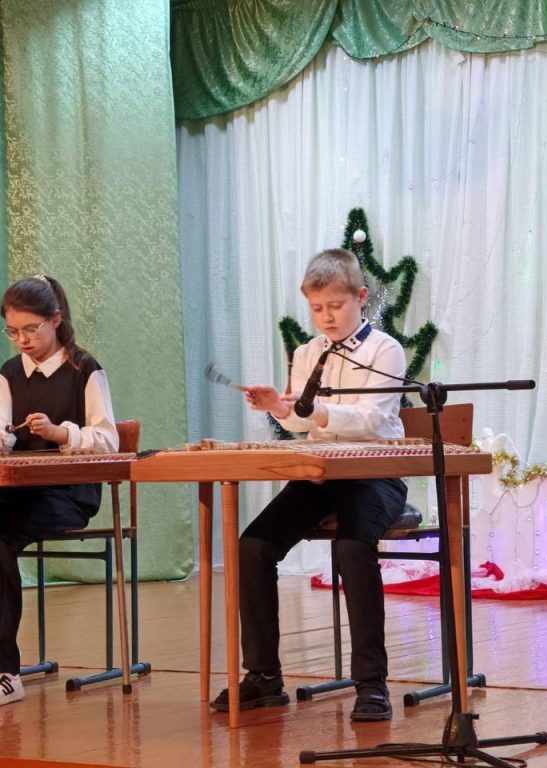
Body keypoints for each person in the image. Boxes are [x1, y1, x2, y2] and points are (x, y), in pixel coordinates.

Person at [210, 248, 407, 721]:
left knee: (352, 548)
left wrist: (310, 409)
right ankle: (263, 676)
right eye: (317, 309)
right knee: (253, 546)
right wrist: (278, 406)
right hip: (321, 475)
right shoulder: (306, 353)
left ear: (361, 296)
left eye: (335, 306)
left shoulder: (385, 350)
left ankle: (371, 683)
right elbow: (300, 424)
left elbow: (371, 419)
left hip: (375, 473)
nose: (326, 317)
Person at [0, 275, 119, 708]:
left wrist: (60, 433)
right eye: (13, 331)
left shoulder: (84, 369)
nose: (22, 340)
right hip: (15, 494)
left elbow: (109, 440)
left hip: (68, 494)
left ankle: (0, 671)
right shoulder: (9, 373)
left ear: (56, 320)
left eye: (31, 329)